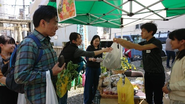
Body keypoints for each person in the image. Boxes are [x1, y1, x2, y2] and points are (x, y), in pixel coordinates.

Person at [14, 6, 65, 104]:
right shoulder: (29, 44)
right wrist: (50, 73)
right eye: (55, 22)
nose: (57, 27)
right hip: (38, 100)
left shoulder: (46, 42)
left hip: (50, 96)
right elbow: (20, 76)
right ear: (43, 23)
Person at [113, 23, 165, 104]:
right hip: (148, 73)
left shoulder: (156, 42)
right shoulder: (144, 42)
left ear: (151, 32)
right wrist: (119, 42)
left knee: (158, 97)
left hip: (157, 74)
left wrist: (122, 40)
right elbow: (130, 46)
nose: (141, 33)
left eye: (143, 31)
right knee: (148, 97)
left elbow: (140, 48)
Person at [58, 33, 112, 104]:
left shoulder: (70, 47)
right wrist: (103, 50)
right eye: (79, 38)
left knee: (62, 95)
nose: (81, 40)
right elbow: (90, 54)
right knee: (62, 96)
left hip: (63, 74)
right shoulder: (75, 50)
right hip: (63, 75)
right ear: (74, 41)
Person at [162, 29, 185, 104]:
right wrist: (169, 82)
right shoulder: (179, 55)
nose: (170, 42)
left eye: (173, 39)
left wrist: (170, 87)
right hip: (175, 97)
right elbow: (178, 75)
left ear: (182, 41)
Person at [84, 35, 103, 104]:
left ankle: (93, 100)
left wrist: (100, 60)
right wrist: (92, 59)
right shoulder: (89, 48)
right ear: (92, 41)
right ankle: (87, 101)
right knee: (88, 85)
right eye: (96, 41)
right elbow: (86, 57)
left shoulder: (100, 48)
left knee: (96, 85)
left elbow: (101, 57)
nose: (97, 42)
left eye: (98, 41)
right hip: (90, 68)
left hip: (97, 68)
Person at [0, 35, 18, 104]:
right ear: (1, 45)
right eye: (10, 43)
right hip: (3, 91)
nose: (13, 45)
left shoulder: (16, 57)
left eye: (14, 43)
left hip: (15, 90)